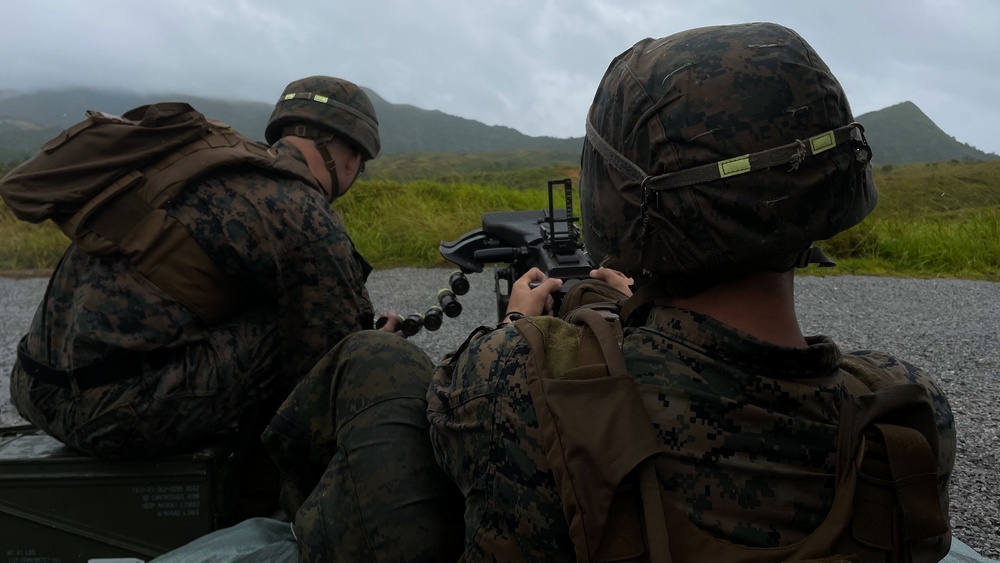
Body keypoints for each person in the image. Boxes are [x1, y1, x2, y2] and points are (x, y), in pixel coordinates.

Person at [426, 22, 957, 561]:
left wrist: (519, 328)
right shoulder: (909, 414)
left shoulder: (510, 376)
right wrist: (610, 307)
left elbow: (452, 423)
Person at [8, 76, 380, 516]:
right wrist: (367, 341)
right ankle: (269, 507)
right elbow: (326, 360)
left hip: (34, 390)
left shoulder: (201, 166)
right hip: (108, 416)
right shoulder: (304, 212)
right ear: (353, 157)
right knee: (318, 341)